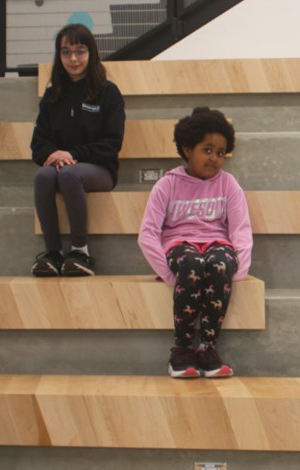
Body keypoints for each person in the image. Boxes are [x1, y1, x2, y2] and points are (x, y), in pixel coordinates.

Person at [138, 107, 252, 379]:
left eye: (221, 153)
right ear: (188, 149)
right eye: (207, 150)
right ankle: (182, 349)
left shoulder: (228, 184)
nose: (214, 158)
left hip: (216, 243)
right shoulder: (167, 184)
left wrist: (240, 269)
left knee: (221, 262)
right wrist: (167, 274)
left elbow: (241, 229)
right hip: (180, 246)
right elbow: (147, 233)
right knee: (192, 263)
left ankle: (207, 348)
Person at [30, 23, 125, 277]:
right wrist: (55, 155)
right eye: (66, 52)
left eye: (80, 51)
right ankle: (52, 253)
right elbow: (38, 144)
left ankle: (81, 252)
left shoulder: (108, 93)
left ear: (91, 53)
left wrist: (73, 155)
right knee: (43, 176)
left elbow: (112, 143)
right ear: (58, 56)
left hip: (100, 169)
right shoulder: (52, 96)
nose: (73, 58)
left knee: (69, 175)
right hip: (61, 168)